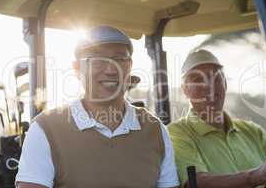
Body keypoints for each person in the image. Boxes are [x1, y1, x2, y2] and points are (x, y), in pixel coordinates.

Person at [16, 26, 180, 188]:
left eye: (119, 59)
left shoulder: (156, 130)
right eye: (98, 60)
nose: (110, 70)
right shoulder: (45, 129)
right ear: (77, 68)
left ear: (129, 66)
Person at [168, 49, 266, 188]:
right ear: (184, 90)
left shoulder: (254, 132)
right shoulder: (176, 133)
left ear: (225, 83)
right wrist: (256, 176)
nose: (209, 86)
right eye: (198, 80)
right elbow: (195, 182)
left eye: (215, 77)